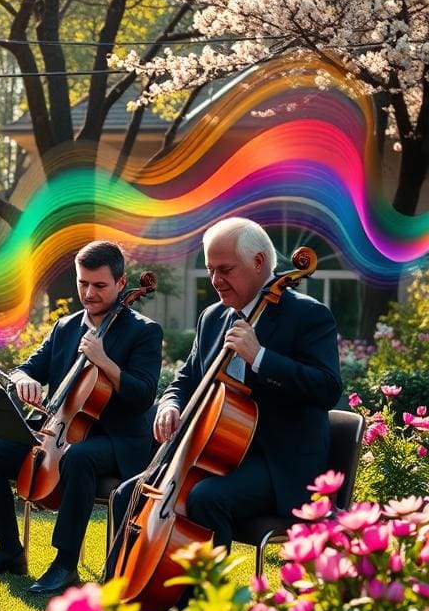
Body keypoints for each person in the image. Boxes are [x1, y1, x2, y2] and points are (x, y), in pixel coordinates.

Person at [111, 217, 343, 560]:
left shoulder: (308, 315)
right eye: (210, 270)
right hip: (217, 454)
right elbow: (187, 378)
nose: (216, 281)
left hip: (279, 463)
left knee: (206, 497)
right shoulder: (213, 317)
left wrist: (260, 357)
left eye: (226, 269)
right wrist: (169, 404)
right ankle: (124, 593)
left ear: (259, 262)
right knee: (127, 494)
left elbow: (327, 388)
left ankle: (205, 606)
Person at [0, 241, 163, 595]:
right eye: (82, 283)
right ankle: (8, 550)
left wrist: (106, 363)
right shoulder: (66, 327)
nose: (89, 293)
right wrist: (23, 381)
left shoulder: (143, 331)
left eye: (99, 285)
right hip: (61, 430)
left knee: (79, 458)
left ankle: (65, 562)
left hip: (116, 439)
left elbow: (143, 394)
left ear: (121, 283)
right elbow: (27, 368)